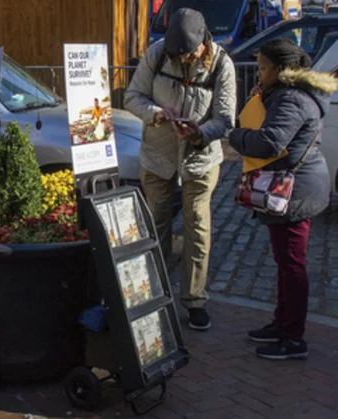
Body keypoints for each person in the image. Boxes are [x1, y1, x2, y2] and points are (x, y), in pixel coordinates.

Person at [124, 8, 236, 331]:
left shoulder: (222, 64)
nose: (181, 59)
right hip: (158, 156)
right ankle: (153, 294)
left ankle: (195, 299)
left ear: (203, 43)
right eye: (176, 54)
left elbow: (226, 120)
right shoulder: (158, 54)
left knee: (196, 226)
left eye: (187, 54)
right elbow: (132, 96)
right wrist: (157, 114)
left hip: (200, 159)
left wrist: (200, 133)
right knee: (156, 222)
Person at [229, 38, 337, 360]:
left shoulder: (292, 99)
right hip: (293, 186)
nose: (258, 73)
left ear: (281, 69)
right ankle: (282, 323)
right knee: (284, 262)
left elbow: (269, 143)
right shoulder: (284, 94)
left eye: (262, 68)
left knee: (292, 265)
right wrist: (259, 103)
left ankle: (294, 339)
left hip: (296, 190)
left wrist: (235, 136)